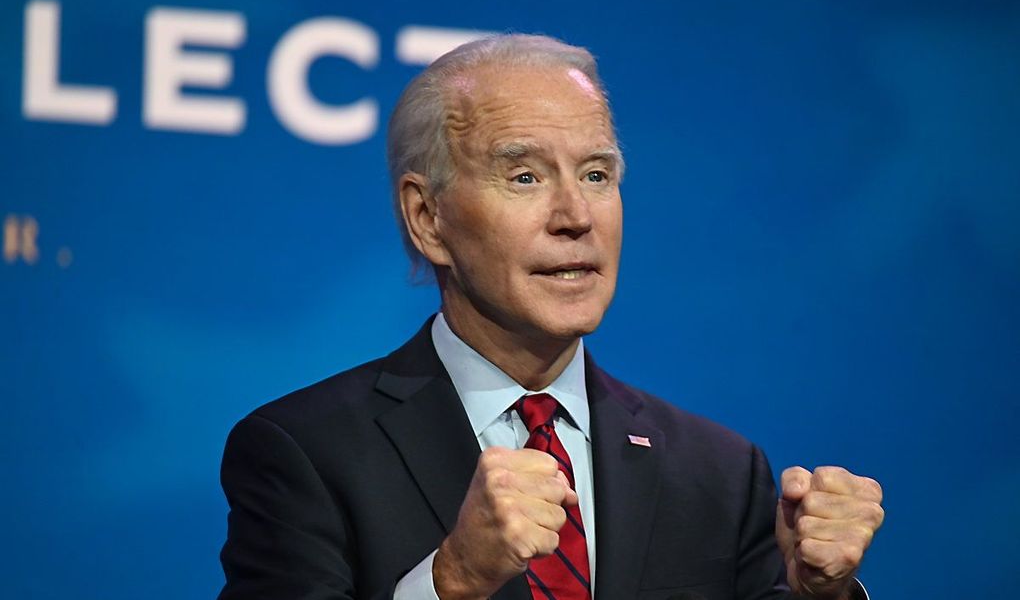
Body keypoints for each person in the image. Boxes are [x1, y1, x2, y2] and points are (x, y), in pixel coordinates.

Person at [218, 34, 884, 600]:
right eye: (525, 178)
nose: (576, 217)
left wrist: (821, 595)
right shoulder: (306, 452)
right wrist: (451, 581)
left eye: (596, 174)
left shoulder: (719, 475)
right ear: (428, 219)